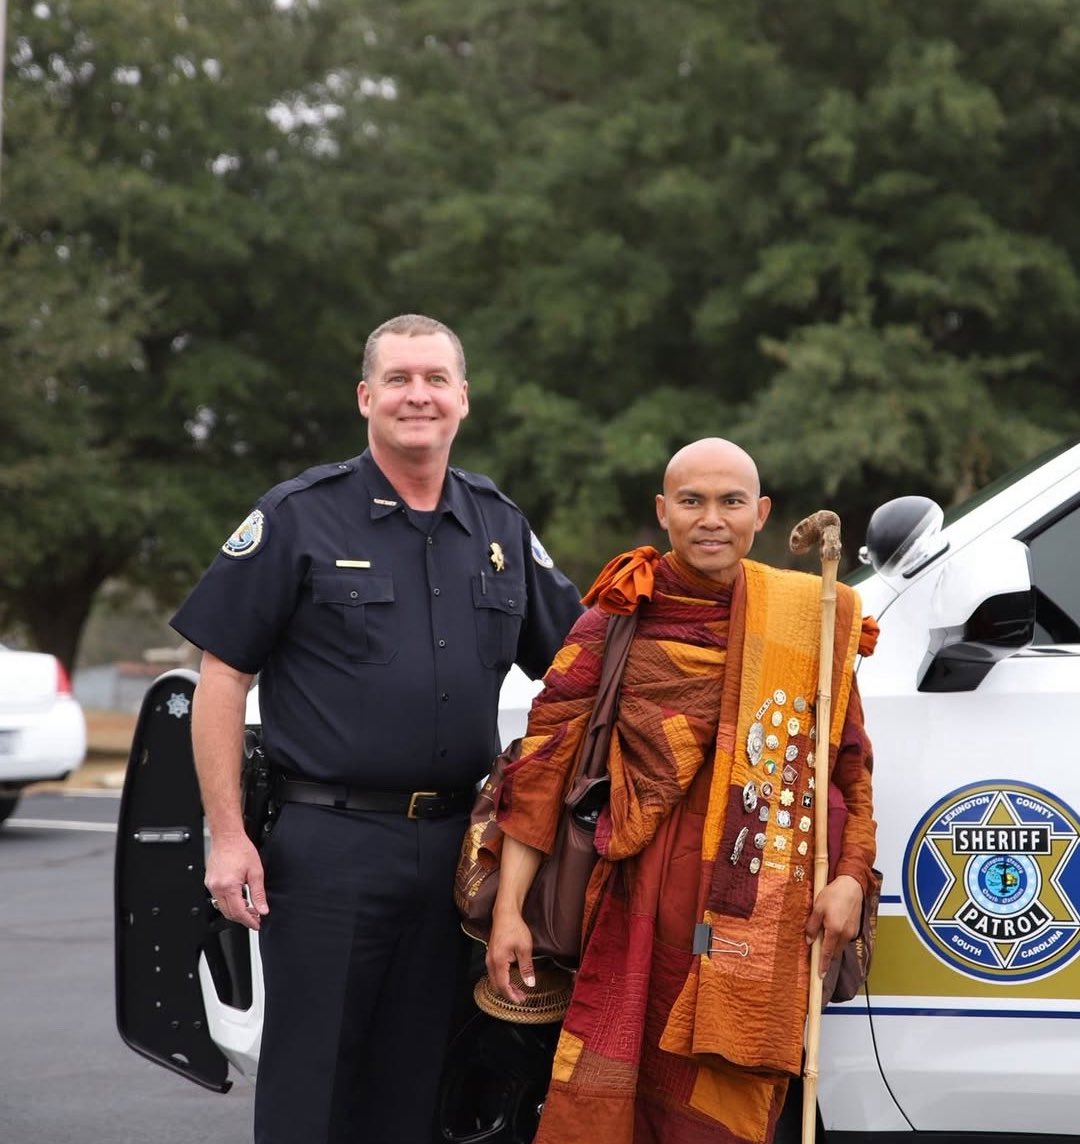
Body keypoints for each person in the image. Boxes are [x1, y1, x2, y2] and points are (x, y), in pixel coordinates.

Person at [169, 313, 585, 1144]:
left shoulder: (498, 526)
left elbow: (581, 662)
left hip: (452, 855)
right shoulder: (298, 517)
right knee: (311, 1092)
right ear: (366, 397)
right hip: (327, 848)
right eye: (398, 379)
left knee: (417, 1089)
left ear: (463, 399)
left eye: (435, 379)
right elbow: (221, 677)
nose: (417, 396)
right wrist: (226, 837)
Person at [484, 437, 878, 1144]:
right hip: (633, 909)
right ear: (662, 511)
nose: (711, 519)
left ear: (759, 513)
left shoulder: (807, 621)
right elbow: (538, 770)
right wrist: (509, 910)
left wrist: (849, 878)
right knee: (613, 1107)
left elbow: (847, 768)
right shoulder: (617, 616)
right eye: (691, 501)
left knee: (715, 1119)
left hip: (748, 918)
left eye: (730, 502)